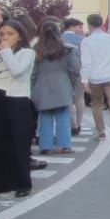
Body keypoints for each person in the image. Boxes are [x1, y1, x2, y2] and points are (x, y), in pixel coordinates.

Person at [0, 19, 36, 197]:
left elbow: (17, 71)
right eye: (2, 34)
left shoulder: (26, 53)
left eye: (10, 34)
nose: (4, 38)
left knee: (19, 142)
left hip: (18, 100)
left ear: (19, 36)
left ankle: (22, 183)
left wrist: (6, 52)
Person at [30, 20, 79, 159]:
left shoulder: (36, 50)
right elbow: (75, 69)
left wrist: (32, 88)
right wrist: (72, 82)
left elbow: (33, 72)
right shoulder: (67, 49)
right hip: (62, 83)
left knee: (45, 116)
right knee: (63, 115)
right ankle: (64, 145)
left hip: (42, 84)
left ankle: (45, 146)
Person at [79, 14, 110, 143]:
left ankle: (101, 132)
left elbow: (86, 62)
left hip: (95, 77)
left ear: (89, 24)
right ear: (101, 24)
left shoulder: (86, 41)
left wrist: (84, 80)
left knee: (96, 104)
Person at [61, 18, 86, 135]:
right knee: (79, 98)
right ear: (72, 26)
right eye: (80, 27)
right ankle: (79, 124)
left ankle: (72, 125)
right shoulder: (82, 40)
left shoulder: (59, 39)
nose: (81, 30)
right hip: (80, 71)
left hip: (63, 71)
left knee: (68, 99)